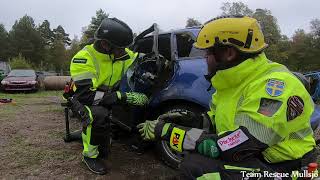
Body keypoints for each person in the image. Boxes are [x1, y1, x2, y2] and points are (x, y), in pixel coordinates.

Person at [137, 16, 317, 179]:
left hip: (290, 169)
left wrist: (168, 131)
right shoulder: (231, 84)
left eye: (207, 53)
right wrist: (191, 120)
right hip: (261, 159)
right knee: (196, 161)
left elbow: (237, 147)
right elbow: (216, 123)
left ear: (229, 53)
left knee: (195, 168)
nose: (205, 58)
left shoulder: (275, 86)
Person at [69, 17, 148, 175]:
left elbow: (137, 58)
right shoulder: (83, 58)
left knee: (133, 105)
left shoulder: (121, 54)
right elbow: (87, 96)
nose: (125, 52)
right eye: (121, 48)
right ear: (105, 44)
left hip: (107, 96)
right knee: (97, 114)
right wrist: (121, 96)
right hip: (82, 99)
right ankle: (89, 156)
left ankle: (131, 138)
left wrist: (153, 59)